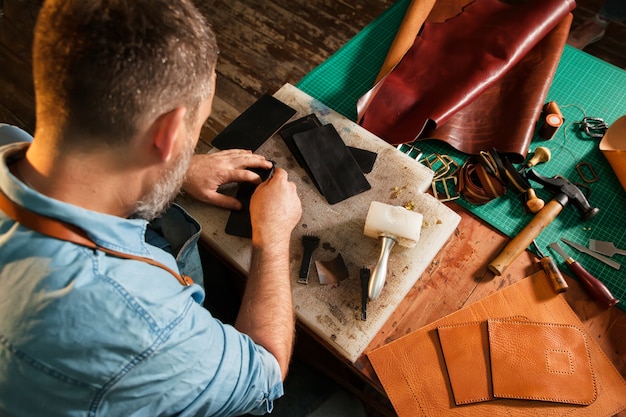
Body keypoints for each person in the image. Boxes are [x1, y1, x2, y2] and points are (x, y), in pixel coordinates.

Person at [0, 0, 302, 416]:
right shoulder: (140, 322)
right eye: (196, 130)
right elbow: (265, 371)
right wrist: (272, 237)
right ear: (168, 133)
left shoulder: (6, 138)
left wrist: (176, 169)